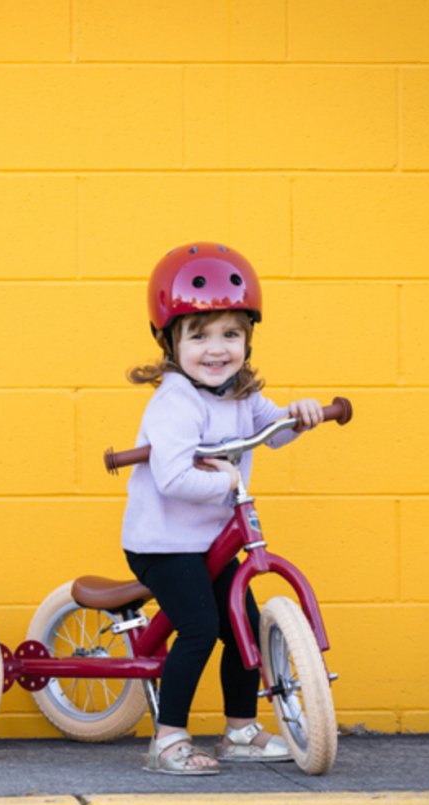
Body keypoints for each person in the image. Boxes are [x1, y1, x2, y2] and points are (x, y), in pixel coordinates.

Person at [121, 242, 323, 775]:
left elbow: (272, 430)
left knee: (243, 627)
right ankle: (167, 739)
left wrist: (301, 416)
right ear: (170, 342)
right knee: (199, 626)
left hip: (206, 542)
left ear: (248, 339)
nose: (217, 350)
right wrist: (228, 480)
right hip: (162, 543)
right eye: (200, 335)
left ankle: (240, 728)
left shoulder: (238, 394)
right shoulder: (175, 403)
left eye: (230, 334)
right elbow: (171, 477)